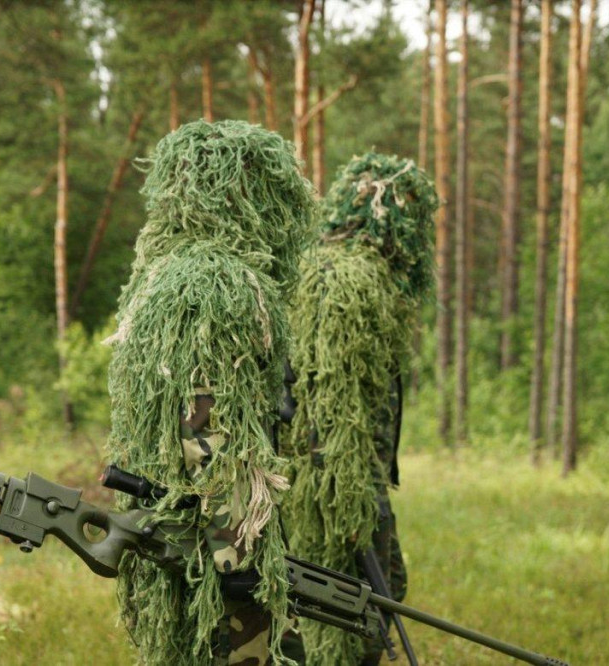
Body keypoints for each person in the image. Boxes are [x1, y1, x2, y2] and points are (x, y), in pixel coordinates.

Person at [105, 120, 315, 665]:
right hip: (213, 548)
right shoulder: (222, 287)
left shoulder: (156, 283)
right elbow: (208, 427)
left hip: (171, 540)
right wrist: (240, 557)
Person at [282, 153, 438, 666]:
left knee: (374, 599)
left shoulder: (356, 275)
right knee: (353, 615)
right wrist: (350, 505)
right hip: (338, 487)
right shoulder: (348, 280)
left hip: (346, 479)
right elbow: (328, 406)